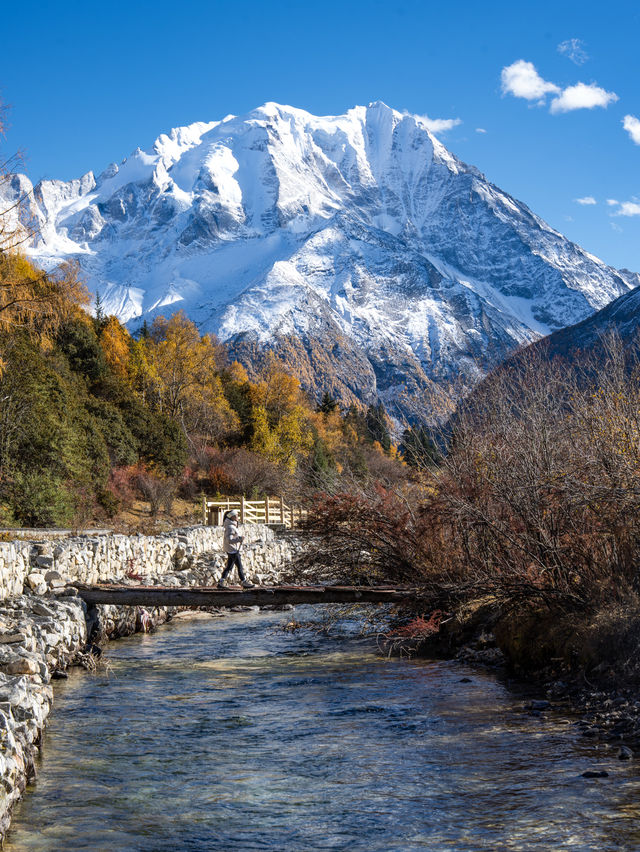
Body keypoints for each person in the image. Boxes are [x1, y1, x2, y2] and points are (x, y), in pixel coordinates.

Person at [218, 509, 255, 589]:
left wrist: (238, 538)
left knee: (229, 567)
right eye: (237, 515)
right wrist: (240, 539)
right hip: (233, 550)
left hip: (231, 549)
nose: (238, 517)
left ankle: (221, 581)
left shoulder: (231, 526)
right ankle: (244, 582)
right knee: (239, 567)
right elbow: (229, 540)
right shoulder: (231, 527)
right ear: (232, 517)